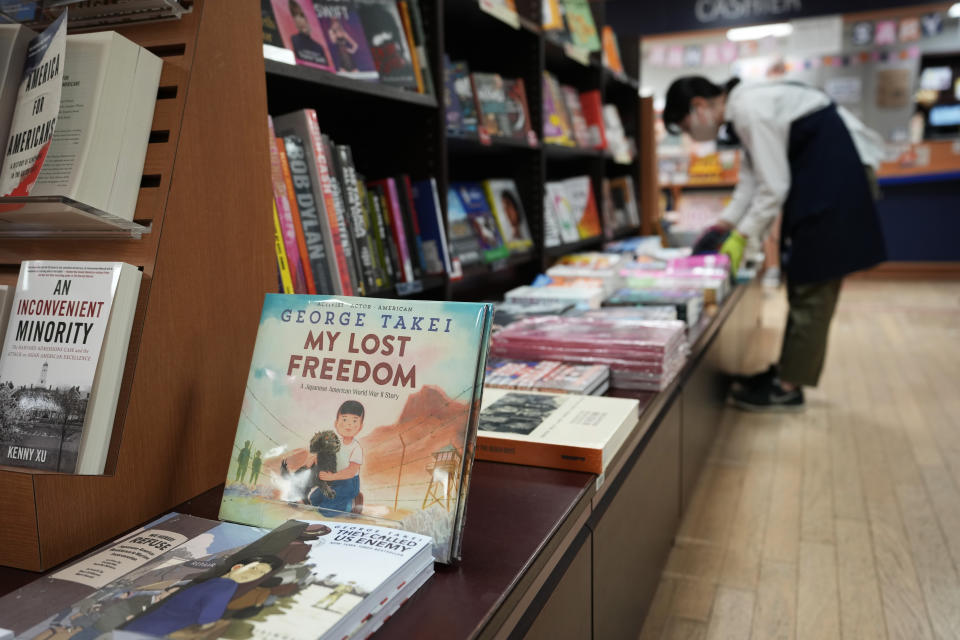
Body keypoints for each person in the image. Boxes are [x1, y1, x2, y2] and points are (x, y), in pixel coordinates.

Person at [663, 76, 887, 411]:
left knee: (813, 283)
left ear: (698, 107)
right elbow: (751, 182)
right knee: (804, 279)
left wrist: (740, 236)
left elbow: (774, 187)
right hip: (826, 183)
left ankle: (787, 388)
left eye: (685, 126)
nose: (692, 134)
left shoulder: (749, 110)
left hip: (837, 185)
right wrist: (721, 225)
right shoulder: (745, 107)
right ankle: (787, 372)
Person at [121, 556, 283, 635]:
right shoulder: (225, 586)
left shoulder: (219, 583)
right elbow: (208, 618)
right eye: (254, 569)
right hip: (150, 625)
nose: (254, 575)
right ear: (237, 566)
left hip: (148, 623)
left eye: (260, 574)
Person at [310, 400, 364, 514]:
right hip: (334, 480)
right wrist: (315, 459)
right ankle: (339, 500)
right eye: (344, 419)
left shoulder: (356, 448)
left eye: (354, 420)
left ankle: (351, 504)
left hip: (349, 483)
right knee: (314, 500)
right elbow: (323, 454)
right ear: (336, 423)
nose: (349, 424)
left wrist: (332, 477)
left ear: (360, 427)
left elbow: (351, 471)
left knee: (325, 510)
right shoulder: (334, 442)